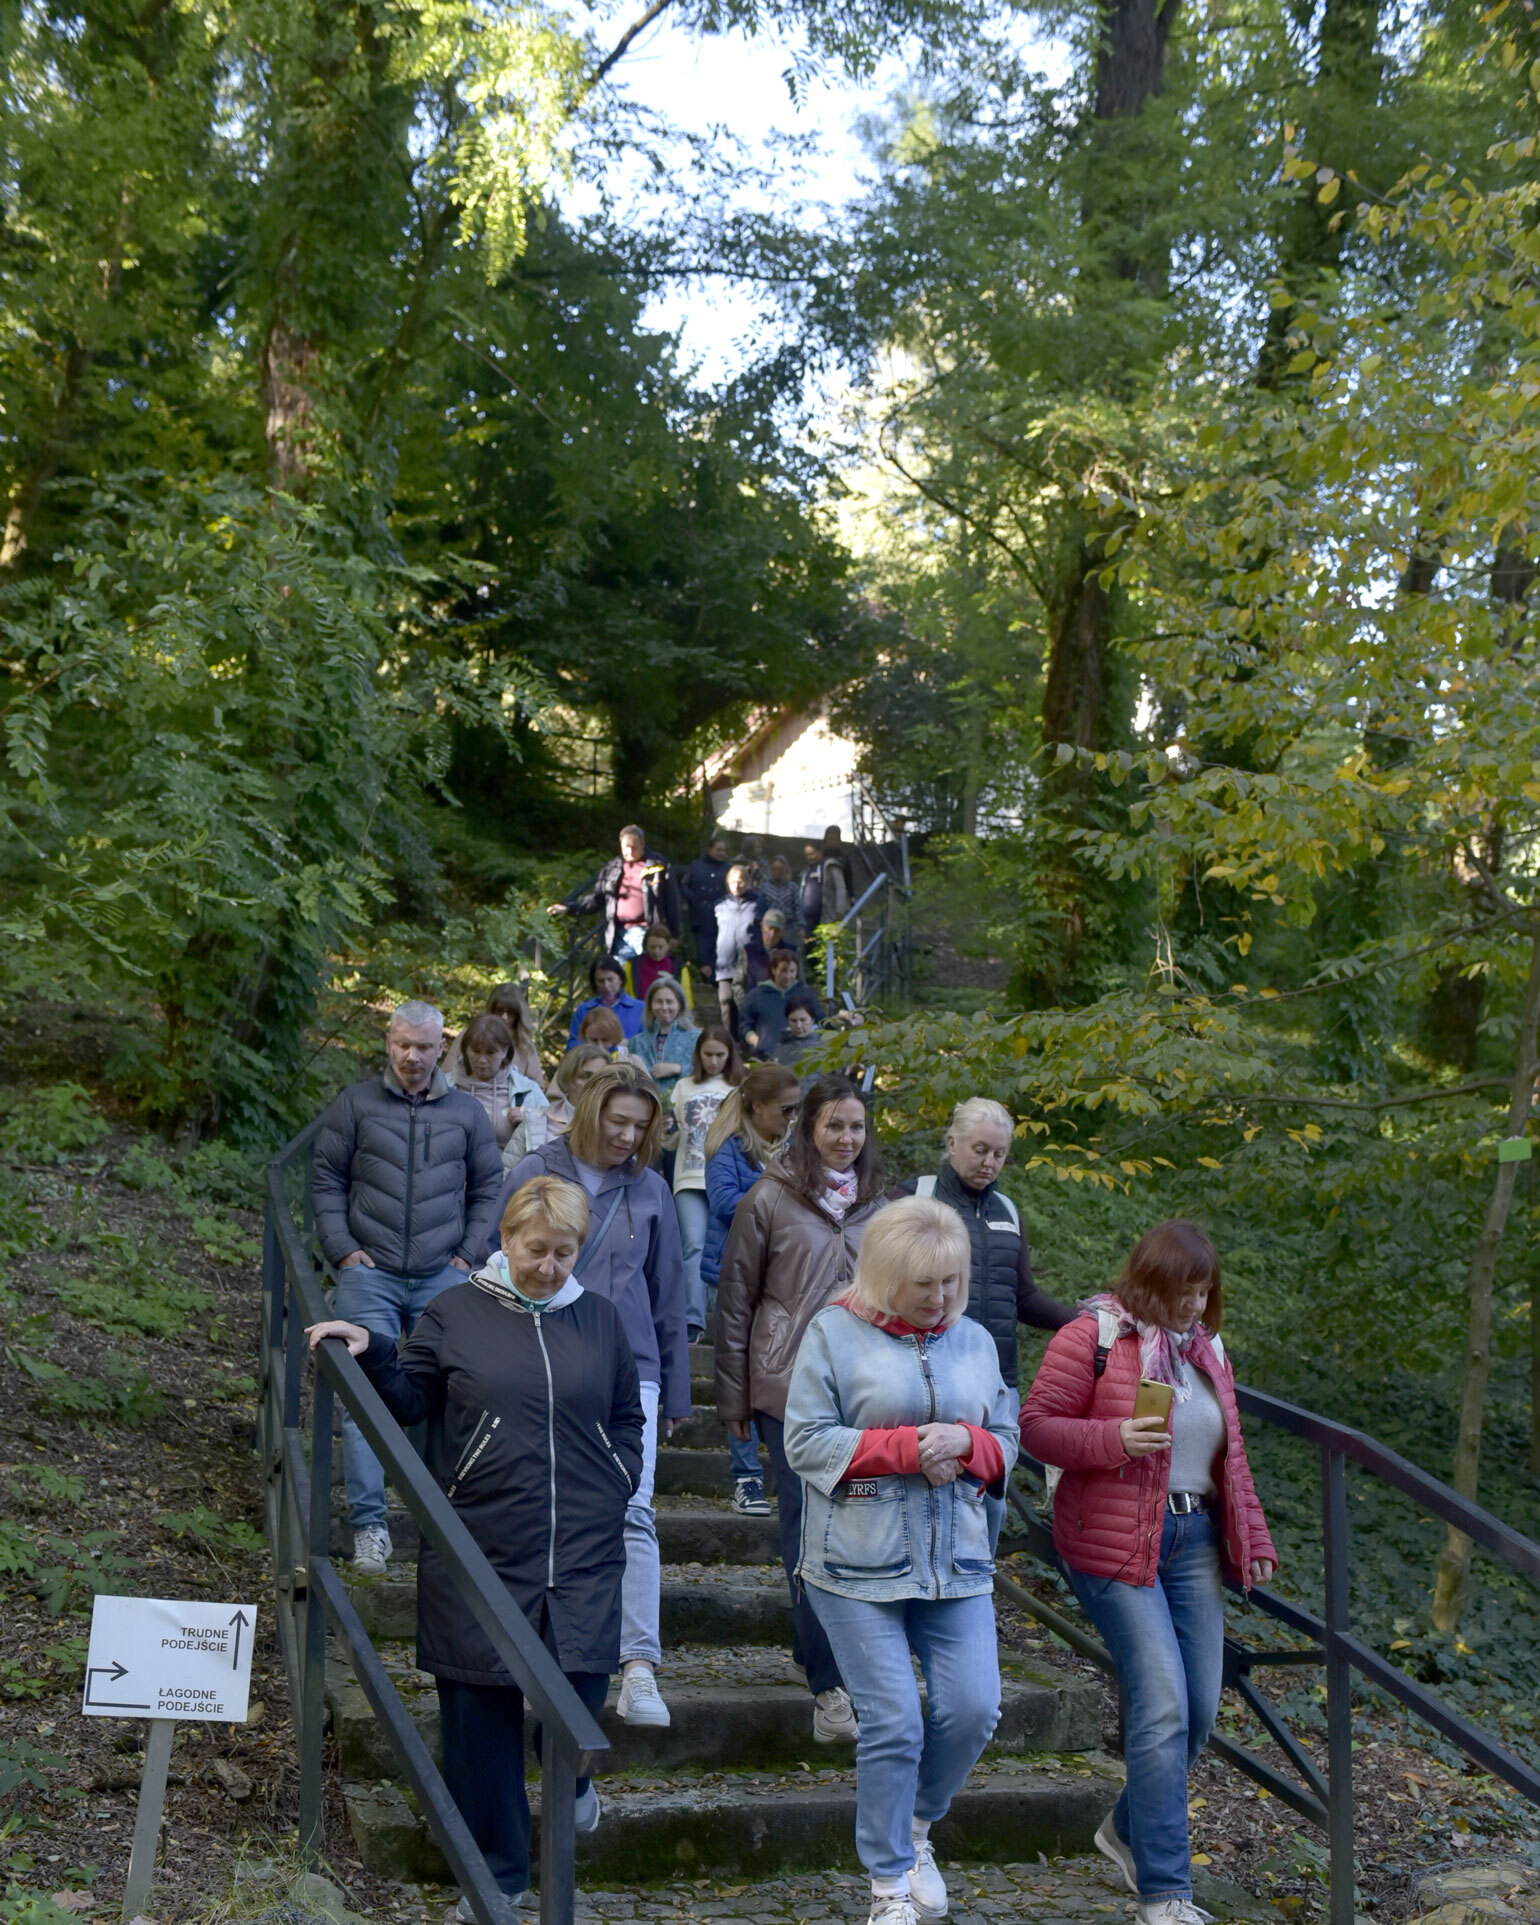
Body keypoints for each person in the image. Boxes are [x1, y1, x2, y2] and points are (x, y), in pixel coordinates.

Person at [306, 1177, 643, 1919]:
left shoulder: (601, 1319)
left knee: (580, 1695)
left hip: (582, 1549)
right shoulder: (457, 1309)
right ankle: (497, 1880)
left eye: (564, 1252)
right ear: (506, 1238)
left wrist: (621, 1473)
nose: (549, 1266)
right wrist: (371, 1349)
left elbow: (626, 1416)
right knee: (479, 1723)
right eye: (535, 1250)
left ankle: (576, 1781)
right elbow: (413, 1397)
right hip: (479, 1544)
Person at [1020, 1221, 1278, 1925]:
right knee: (1161, 1702)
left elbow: (1232, 1454)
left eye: (1204, 1292)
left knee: (1197, 1709)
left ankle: (1126, 1828)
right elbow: (1034, 1425)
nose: (1195, 1306)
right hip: (1110, 1539)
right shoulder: (1095, 1333)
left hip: (1193, 1538)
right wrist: (1113, 1438)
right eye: (1182, 1292)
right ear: (1148, 1281)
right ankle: (1165, 1891)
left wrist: (1249, 1531)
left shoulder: (1208, 1351)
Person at [784, 1197, 1019, 1925]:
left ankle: (917, 1826)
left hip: (958, 1562)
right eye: (925, 1283)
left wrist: (970, 1445)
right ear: (886, 1274)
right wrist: (911, 1447)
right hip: (854, 1566)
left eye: (952, 1280)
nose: (941, 1297)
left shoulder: (975, 1339)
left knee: (976, 1708)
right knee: (894, 1722)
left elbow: (1007, 1434)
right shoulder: (832, 1332)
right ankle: (888, 1883)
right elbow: (806, 1442)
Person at [491, 1062, 689, 1729]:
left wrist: (676, 1391)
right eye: (618, 1121)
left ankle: (638, 1667)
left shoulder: (654, 1190)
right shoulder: (535, 1172)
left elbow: (668, 1297)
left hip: (628, 1367)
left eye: (641, 1125)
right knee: (537, 1506)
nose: (629, 1136)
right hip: (537, 1355)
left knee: (633, 1509)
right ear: (590, 1112)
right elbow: (499, 1265)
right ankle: (533, 1657)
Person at [714, 1072, 887, 1744]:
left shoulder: (880, 1204)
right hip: (788, 1389)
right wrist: (733, 1396)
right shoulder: (768, 1198)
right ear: (807, 1128)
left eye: (856, 1126)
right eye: (833, 1126)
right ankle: (830, 1687)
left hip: (868, 1392)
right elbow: (735, 1303)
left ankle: (821, 1649)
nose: (846, 1138)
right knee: (808, 1534)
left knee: (859, 1532)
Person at [311, 1000, 504, 1575]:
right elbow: (325, 1178)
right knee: (363, 1397)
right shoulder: (356, 1104)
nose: (411, 1056)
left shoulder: (467, 1113)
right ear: (388, 1042)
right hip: (369, 1272)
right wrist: (342, 1249)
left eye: (423, 1046)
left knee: (442, 1396)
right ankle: (369, 1526)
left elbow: (490, 1184)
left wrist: (468, 1252)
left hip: (442, 1273)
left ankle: (435, 1519)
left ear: (442, 1046)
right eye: (402, 1044)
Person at [888, 1097, 1074, 1548]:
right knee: (920, 1493)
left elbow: (1024, 1298)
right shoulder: (912, 1197)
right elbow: (881, 1286)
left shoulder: (1007, 1211)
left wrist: (1088, 1321)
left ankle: (972, 1595)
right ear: (952, 1143)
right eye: (979, 1149)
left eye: (999, 1154)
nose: (989, 1162)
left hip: (997, 1384)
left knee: (989, 1501)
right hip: (923, 1373)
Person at [702, 1064, 803, 1515]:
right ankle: (746, 1479)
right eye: (786, 1109)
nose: (792, 1117)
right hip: (734, 1277)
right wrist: (778, 1189)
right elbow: (724, 1201)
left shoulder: (789, 1149)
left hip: (779, 1278)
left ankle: (788, 1473)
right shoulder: (730, 1150)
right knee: (738, 1376)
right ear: (758, 1106)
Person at [671, 1027, 742, 1341]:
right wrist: (664, 1130)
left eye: (720, 1055)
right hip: (689, 1176)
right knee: (694, 1246)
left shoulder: (740, 1086)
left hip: (727, 1177)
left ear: (729, 1056)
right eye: (708, 1054)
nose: (713, 1061)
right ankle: (694, 1322)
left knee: (726, 1248)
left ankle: (723, 1320)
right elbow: (672, 1139)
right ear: (698, 1054)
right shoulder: (683, 1086)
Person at [549, 824, 680, 963]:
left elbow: (672, 901)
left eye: (633, 847)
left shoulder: (658, 866)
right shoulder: (613, 868)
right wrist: (569, 908)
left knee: (644, 977)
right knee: (619, 977)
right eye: (625, 847)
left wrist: (674, 934)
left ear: (642, 843)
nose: (629, 851)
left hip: (648, 932)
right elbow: (597, 898)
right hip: (619, 932)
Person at [445, 1012, 551, 1168]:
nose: (482, 1060)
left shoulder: (528, 1090)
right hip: (455, 1181)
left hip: (508, 1183)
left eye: (490, 1052)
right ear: (465, 1049)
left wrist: (530, 1120)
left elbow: (553, 1136)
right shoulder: (444, 1087)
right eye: (476, 1051)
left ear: (505, 1051)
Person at [443, 982, 545, 1091]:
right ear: (491, 1010)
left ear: (518, 1015)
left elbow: (537, 1089)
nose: (504, 1017)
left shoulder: (524, 1046)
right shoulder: (469, 1037)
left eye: (510, 1013)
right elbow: (445, 1076)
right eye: (499, 1011)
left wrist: (522, 1107)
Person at [630, 977, 701, 1106]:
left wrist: (679, 1068)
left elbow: (707, 1070)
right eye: (658, 1001)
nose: (664, 1007)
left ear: (679, 1004)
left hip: (685, 1107)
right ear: (650, 1005)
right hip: (645, 1107)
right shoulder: (637, 1042)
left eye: (669, 1001)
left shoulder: (696, 1037)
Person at [714, 863, 766, 1025]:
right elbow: (710, 933)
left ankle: (747, 1040)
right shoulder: (719, 904)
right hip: (725, 961)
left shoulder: (759, 903)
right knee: (726, 1001)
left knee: (747, 1002)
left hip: (750, 962)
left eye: (741, 881)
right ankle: (730, 1043)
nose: (737, 885)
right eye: (733, 881)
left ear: (748, 882)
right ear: (728, 883)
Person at [742, 949, 819, 1058]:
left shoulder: (806, 994)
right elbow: (744, 1024)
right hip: (765, 1056)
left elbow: (820, 1021)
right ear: (773, 970)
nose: (788, 976)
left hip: (800, 1056)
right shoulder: (756, 995)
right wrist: (756, 1041)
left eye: (792, 971)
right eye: (783, 971)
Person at [680, 836, 731, 978]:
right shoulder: (695, 866)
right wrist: (694, 899)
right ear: (710, 849)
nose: (721, 853)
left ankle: (716, 978)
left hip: (721, 916)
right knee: (701, 947)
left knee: (719, 947)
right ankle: (701, 975)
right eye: (718, 849)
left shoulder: (727, 868)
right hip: (699, 915)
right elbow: (684, 886)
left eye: (723, 850)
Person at [568, 955, 645, 1047]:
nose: (606, 985)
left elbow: (648, 1045)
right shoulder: (583, 1010)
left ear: (620, 979)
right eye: (601, 981)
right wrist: (592, 1044)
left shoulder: (640, 1008)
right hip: (592, 1059)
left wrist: (629, 1044)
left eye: (610, 979)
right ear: (594, 982)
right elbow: (571, 1045)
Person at [544, 1044, 607, 1138]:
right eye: (587, 1077)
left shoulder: (619, 1123)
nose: (596, 1083)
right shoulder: (537, 1121)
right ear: (567, 1079)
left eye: (602, 1077)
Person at [739, 907, 798, 994]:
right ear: (762, 926)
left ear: (782, 931)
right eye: (770, 928)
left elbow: (800, 985)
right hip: (755, 1003)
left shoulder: (792, 952)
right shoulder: (748, 951)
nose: (772, 934)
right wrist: (746, 1005)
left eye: (777, 930)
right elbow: (738, 984)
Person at [633, 922, 684, 1001]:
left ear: (668, 946)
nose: (656, 951)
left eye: (661, 947)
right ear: (645, 946)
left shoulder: (679, 968)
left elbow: (685, 999)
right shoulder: (632, 966)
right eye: (652, 947)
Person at [760, 853, 801, 935]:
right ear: (770, 870)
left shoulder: (793, 887)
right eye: (774, 869)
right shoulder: (764, 887)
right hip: (768, 927)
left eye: (780, 869)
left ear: (785, 869)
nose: (777, 872)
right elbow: (760, 909)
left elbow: (798, 907)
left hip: (788, 927)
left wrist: (801, 925)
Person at [797, 841, 826, 933]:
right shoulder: (805, 872)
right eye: (807, 855)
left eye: (812, 854)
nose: (810, 857)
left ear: (820, 852)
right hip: (806, 920)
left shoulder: (827, 869)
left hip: (823, 917)